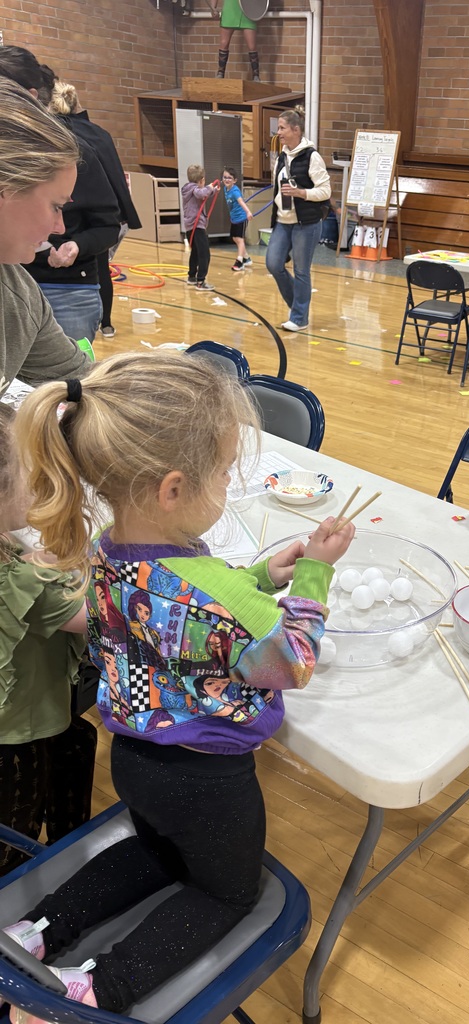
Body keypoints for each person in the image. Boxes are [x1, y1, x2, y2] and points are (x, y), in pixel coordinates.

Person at [1, 350, 355, 1020]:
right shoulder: (216, 592)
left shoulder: (106, 545)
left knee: (156, 851)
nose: (226, 483)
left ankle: (36, 931)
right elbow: (292, 663)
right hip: (210, 783)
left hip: (135, 760)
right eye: (224, 473)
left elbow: (178, 626)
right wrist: (315, 576)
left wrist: (259, 579)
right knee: (227, 893)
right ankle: (99, 989)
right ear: (171, 488)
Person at [0, 403, 94, 876]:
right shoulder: (22, 579)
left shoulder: (13, 553)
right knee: (14, 835)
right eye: (30, 472)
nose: (37, 483)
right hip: (16, 737)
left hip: (27, 719)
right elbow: (104, 620)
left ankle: (62, 863)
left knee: (77, 743)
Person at [0, 46, 120, 345]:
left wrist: (76, 246)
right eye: (55, 207)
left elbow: (68, 375)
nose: (59, 227)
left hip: (65, 289)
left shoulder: (72, 152)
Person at [0, 78, 90, 387]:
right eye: (56, 206)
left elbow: (81, 382)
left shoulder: (17, 291)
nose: (60, 228)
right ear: (6, 189)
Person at [49, 80, 142, 340]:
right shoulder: (96, 133)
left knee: (99, 265)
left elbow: (106, 223)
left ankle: (106, 321)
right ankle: (107, 323)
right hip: (93, 228)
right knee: (101, 266)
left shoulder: (79, 143)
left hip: (87, 237)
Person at [265, 108, 331, 332]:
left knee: (302, 270)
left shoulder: (312, 156)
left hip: (307, 223)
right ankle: (297, 307)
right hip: (283, 221)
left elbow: (325, 191)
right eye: (279, 128)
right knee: (274, 263)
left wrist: (303, 193)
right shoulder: (281, 156)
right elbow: (278, 189)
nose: (278, 133)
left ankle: (300, 318)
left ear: (296, 129)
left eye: (282, 128)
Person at [181, 164, 219, 291]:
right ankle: (201, 281)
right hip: (197, 226)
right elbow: (201, 193)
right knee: (204, 254)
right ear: (201, 180)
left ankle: (192, 276)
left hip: (191, 227)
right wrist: (209, 187)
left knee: (196, 252)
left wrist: (213, 190)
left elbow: (204, 195)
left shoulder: (189, 189)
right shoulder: (194, 189)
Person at [215, 0, 260, 82]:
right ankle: (220, 73)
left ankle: (256, 75)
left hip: (248, 11)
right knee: (224, 43)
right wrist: (213, 8)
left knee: (252, 46)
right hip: (230, 10)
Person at [221, 166, 253, 271]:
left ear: (235, 180)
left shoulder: (235, 191)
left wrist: (248, 212)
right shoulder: (225, 189)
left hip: (241, 218)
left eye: (229, 178)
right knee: (235, 238)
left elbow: (241, 202)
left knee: (239, 239)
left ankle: (239, 261)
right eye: (225, 177)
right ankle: (247, 258)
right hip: (234, 218)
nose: (226, 179)